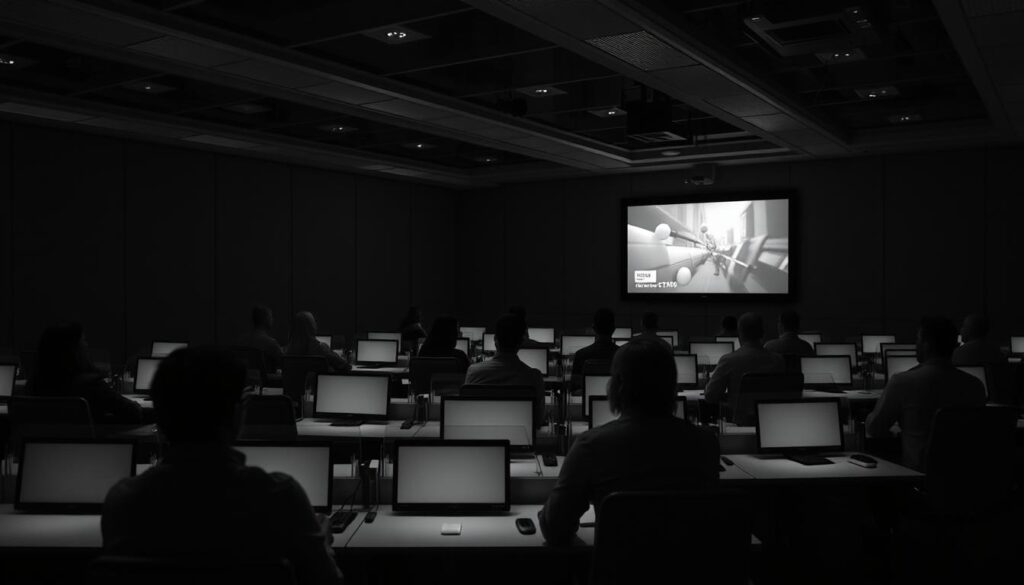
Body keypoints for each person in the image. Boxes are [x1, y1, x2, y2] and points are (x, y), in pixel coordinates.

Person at [102, 347, 343, 584]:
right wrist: (320, 542)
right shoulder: (279, 497)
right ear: (238, 415)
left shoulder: (121, 502)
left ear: (159, 415)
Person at [538, 338, 720, 545]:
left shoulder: (592, 445)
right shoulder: (706, 443)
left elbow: (554, 527)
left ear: (618, 385)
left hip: (617, 575)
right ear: (672, 386)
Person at [866, 316, 987, 471]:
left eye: (918, 339)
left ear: (927, 345)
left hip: (920, 476)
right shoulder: (975, 385)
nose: (916, 344)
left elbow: (874, 428)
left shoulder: (902, 381)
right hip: (968, 475)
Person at [28, 323, 142, 424]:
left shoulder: (33, 386)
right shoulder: (92, 386)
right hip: (88, 446)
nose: (86, 345)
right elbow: (133, 412)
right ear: (75, 352)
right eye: (83, 342)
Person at [464, 313, 545, 426]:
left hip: (482, 437)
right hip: (520, 441)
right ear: (522, 342)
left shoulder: (473, 372)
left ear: (495, 339)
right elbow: (538, 421)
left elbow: (467, 414)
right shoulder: (534, 377)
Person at [704, 313, 785, 406]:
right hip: (768, 418)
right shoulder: (778, 360)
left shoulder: (728, 360)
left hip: (738, 419)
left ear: (740, 333)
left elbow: (710, 396)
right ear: (763, 332)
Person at [285, 311, 349, 372]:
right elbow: (345, 366)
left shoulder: (287, 352)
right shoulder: (321, 348)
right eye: (314, 322)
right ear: (312, 327)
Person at [571, 308, 620, 387]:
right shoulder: (624, 355)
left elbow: (574, 388)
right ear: (614, 329)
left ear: (593, 328)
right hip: (616, 399)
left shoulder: (580, 355)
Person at [238, 305, 284, 373]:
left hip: (245, 381)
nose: (273, 319)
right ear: (266, 319)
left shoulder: (241, 340)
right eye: (271, 316)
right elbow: (284, 363)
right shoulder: (270, 343)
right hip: (265, 382)